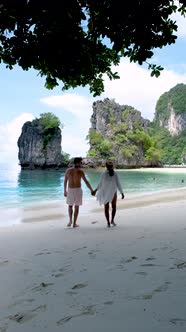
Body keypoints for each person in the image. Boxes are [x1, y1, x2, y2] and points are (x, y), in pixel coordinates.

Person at [64, 157, 94, 228]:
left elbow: (65, 181)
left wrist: (65, 190)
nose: (81, 164)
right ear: (77, 162)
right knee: (75, 207)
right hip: (77, 190)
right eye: (80, 162)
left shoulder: (68, 170)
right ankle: (73, 223)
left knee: (70, 206)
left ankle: (71, 221)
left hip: (71, 189)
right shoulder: (80, 171)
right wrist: (91, 190)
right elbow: (86, 182)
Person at [93, 160, 124, 227]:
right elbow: (118, 184)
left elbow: (100, 184)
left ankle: (109, 222)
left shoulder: (107, 174)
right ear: (111, 166)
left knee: (107, 208)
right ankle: (111, 221)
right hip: (112, 192)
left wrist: (95, 190)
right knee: (113, 207)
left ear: (106, 166)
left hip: (108, 192)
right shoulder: (110, 174)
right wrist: (122, 192)